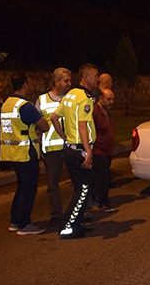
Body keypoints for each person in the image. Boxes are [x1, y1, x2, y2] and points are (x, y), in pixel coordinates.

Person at [51, 63, 99, 239]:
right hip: (80, 150)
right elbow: (82, 125)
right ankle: (67, 226)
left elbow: (54, 118)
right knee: (83, 190)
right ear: (86, 78)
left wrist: (65, 137)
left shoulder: (70, 95)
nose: (97, 79)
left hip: (70, 149)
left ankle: (75, 224)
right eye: (95, 76)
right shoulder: (84, 98)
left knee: (80, 189)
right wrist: (88, 151)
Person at [1, 72, 49, 236]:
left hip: (12, 153)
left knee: (21, 189)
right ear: (25, 85)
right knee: (28, 190)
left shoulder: (7, 104)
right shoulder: (25, 106)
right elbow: (44, 126)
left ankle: (15, 221)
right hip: (26, 153)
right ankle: (24, 224)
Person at [35, 67, 72, 227]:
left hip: (71, 147)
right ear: (56, 81)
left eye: (70, 80)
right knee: (53, 185)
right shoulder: (42, 100)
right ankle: (57, 215)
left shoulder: (72, 98)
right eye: (66, 81)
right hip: (51, 150)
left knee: (79, 182)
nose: (69, 84)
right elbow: (37, 126)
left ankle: (80, 212)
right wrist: (39, 147)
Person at [90, 88, 116, 212]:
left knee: (102, 175)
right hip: (98, 149)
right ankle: (103, 201)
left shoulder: (106, 112)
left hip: (107, 150)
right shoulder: (94, 111)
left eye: (112, 99)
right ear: (100, 99)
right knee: (102, 176)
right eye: (108, 99)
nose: (111, 102)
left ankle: (96, 197)